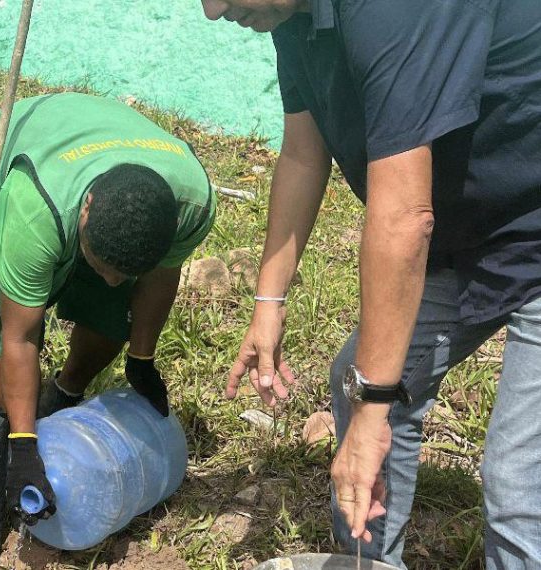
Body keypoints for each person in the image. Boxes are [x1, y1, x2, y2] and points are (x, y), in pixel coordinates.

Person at [201, 1, 541, 567]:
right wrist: (268, 302)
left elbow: (404, 218)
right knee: (355, 379)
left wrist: (373, 410)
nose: (213, 10)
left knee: (519, 486)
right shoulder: (294, 17)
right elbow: (303, 155)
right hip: (473, 236)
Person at [0, 92, 217, 524]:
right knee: (9, 319)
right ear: (85, 211)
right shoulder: (34, 211)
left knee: (111, 308)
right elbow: (19, 337)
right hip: (10, 157)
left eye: (124, 273)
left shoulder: (190, 204)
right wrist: (24, 446)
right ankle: (6, 435)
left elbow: (162, 275)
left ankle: (64, 393)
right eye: (104, 265)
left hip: (95, 162)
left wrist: (141, 358)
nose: (113, 280)